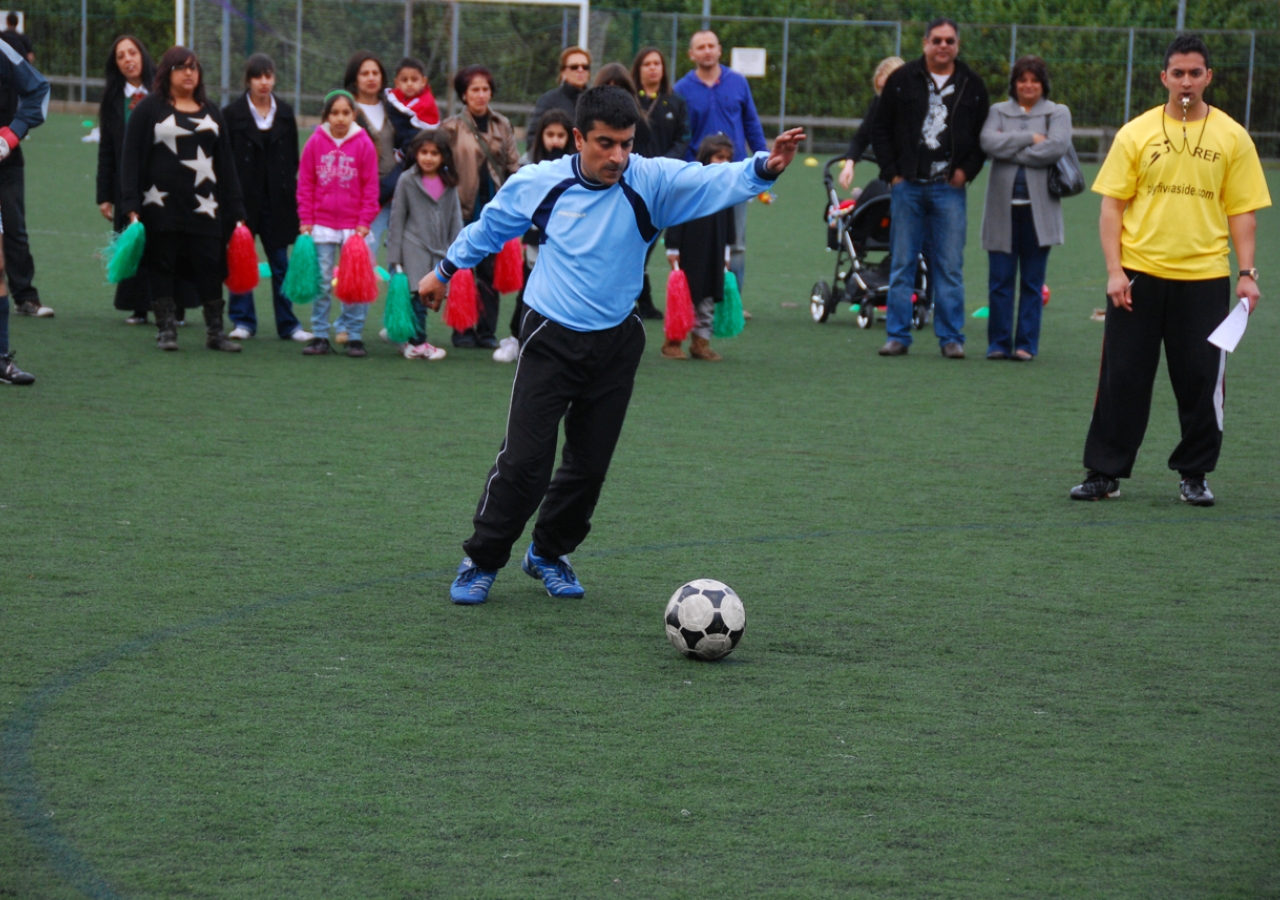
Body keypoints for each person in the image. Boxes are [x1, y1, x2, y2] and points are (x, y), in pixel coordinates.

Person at [415, 86, 805, 605]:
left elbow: (711, 179)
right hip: (549, 336)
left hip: (616, 342)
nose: (618, 156)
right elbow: (490, 228)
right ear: (578, 138)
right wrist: (443, 272)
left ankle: (549, 553)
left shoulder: (650, 180)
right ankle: (482, 559)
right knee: (526, 462)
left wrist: (766, 166)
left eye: (626, 144)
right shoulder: (540, 183)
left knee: (588, 465)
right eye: (605, 144)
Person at [1070, 34, 1270, 507]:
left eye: (1194, 73)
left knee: (1202, 377)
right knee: (1123, 375)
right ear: (1163, 77)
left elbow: (1243, 212)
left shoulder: (1232, 136)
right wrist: (1114, 271)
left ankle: (1194, 473)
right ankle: (1105, 472)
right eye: (1177, 73)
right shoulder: (1135, 132)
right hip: (1139, 275)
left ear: (1208, 77)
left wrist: (1247, 273)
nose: (1185, 82)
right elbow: (1111, 208)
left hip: (1204, 278)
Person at [871, 17, 989, 358]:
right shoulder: (901, 80)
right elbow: (880, 129)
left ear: (957, 45)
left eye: (949, 41)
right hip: (907, 186)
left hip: (949, 189)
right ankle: (897, 336)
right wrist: (892, 173)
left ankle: (951, 338)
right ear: (925, 43)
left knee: (949, 266)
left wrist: (966, 172)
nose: (943, 46)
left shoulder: (972, 84)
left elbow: (983, 136)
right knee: (902, 263)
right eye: (936, 40)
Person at [119, 46, 245, 352]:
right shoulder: (149, 109)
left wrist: (237, 207)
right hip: (160, 207)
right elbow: (130, 159)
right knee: (162, 265)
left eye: (193, 67)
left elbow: (226, 163)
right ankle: (166, 330)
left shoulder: (212, 111)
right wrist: (130, 205)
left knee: (210, 266)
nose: (188, 72)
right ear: (167, 72)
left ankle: (215, 332)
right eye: (181, 67)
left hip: (205, 208)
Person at [979, 55, 1071, 361]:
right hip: (1001, 211)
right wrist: (1030, 138)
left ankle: (1025, 346)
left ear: (1043, 84)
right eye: (1022, 80)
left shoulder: (1057, 112)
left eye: (1034, 80)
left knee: (1032, 283)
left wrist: (1011, 149)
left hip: (1038, 213)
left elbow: (1056, 147)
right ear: (1014, 84)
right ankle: (998, 344)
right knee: (1000, 281)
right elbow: (988, 142)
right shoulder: (997, 111)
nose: (1028, 85)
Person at [222, 53, 310, 343]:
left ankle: (288, 324)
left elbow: (293, 160)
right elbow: (224, 160)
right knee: (240, 262)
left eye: (268, 75)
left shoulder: (284, 113)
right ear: (248, 80)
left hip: (278, 202)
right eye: (258, 76)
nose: (263, 82)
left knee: (280, 264)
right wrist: (232, 200)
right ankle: (243, 321)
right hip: (242, 202)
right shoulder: (232, 114)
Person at [675, 30, 768, 300]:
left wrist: (764, 161)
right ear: (691, 54)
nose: (706, 51)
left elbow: (751, 123)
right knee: (697, 241)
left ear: (719, 50)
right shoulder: (682, 89)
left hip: (735, 174)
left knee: (735, 242)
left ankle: (731, 301)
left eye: (710, 46)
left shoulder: (737, 82)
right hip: (698, 178)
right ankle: (696, 298)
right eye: (700, 47)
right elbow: (680, 135)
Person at [436, 64, 519, 350]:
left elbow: (512, 166)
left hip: (494, 206)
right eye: (475, 89)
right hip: (461, 207)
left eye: (485, 89)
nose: (481, 95)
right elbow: (437, 166)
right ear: (463, 94)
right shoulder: (449, 127)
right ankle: (461, 330)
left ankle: (486, 332)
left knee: (488, 271)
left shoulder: (503, 124)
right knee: (461, 267)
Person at [296, 90, 380, 358]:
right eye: (335, 113)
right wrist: (306, 219)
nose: (340, 118)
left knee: (352, 283)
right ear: (326, 116)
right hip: (321, 225)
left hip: (354, 228)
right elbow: (305, 184)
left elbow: (371, 187)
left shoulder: (364, 144)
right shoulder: (314, 143)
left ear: (354, 115)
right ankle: (320, 335)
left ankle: (354, 336)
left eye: (346, 112)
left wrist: (364, 222)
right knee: (322, 282)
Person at [501, 107, 573, 362]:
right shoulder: (529, 164)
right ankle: (516, 337)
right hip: (536, 238)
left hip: (567, 242)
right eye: (550, 134)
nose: (555, 140)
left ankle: (554, 342)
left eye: (560, 135)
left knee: (562, 291)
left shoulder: (579, 168)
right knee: (531, 286)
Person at [97, 35, 157, 325]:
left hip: (162, 181)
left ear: (142, 55)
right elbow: (106, 149)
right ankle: (138, 307)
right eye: (121, 56)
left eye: (132, 52)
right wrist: (104, 194)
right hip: (127, 183)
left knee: (165, 243)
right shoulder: (112, 99)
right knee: (133, 240)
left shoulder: (161, 91)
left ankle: (172, 305)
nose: (128, 59)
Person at [387, 130, 461, 362]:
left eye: (434, 153)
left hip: (439, 250)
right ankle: (418, 344)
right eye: (423, 152)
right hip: (413, 248)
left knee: (428, 296)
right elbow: (397, 219)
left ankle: (403, 336)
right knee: (417, 296)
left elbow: (455, 219)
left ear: (443, 157)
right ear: (416, 154)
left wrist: (460, 252)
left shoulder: (449, 184)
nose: (428, 158)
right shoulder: (407, 180)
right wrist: (395, 257)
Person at [662, 134, 736, 362]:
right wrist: (672, 248)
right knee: (684, 297)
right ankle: (672, 342)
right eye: (718, 157)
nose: (723, 162)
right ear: (706, 157)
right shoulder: (690, 185)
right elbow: (675, 217)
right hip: (689, 253)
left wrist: (726, 253)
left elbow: (729, 225)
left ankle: (700, 343)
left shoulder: (727, 189)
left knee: (707, 300)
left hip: (714, 254)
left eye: (727, 158)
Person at [0, 38, 51, 319]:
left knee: (13, 226)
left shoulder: (2, 51)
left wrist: (12, 134)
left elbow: (39, 89)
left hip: (5, 160)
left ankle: (25, 297)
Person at [838, 56, 904, 191]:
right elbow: (862, 136)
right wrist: (849, 165)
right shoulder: (879, 104)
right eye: (880, 89)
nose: (884, 95)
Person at [631, 47, 689, 161]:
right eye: (647, 64)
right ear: (638, 69)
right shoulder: (630, 99)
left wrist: (664, 163)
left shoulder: (677, 101)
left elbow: (683, 139)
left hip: (666, 171)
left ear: (663, 68)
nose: (652, 67)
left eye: (657, 63)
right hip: (634, 168)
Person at [530, 46, 591, 132]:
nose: (580, 70)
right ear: (563, 72)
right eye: (574, 67)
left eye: (585, 67)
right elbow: (534, 136)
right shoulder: (548, 101)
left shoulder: (597, 101)